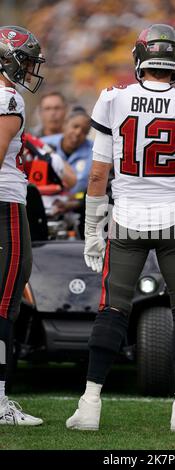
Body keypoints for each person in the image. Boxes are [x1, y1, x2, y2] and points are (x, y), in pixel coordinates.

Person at [66, 24, 175, 432]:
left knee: (113, 309)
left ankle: (89, 405)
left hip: (126, 219)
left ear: (140, 59)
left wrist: (92, 230)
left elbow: (98, 176)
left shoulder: (113, 99)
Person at [0, 25, 45, 425]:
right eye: (27, 59)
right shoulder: (8, 97)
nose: (30, 68)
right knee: (5, 300)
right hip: (4, 206)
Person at [41, 106, 93, 195]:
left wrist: (75, 201)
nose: (78, 133)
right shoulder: (43, 144)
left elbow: (82, 188)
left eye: (84, 131)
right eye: (75, 126)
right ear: (65, 124)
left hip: (76, 204)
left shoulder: (94, 152)